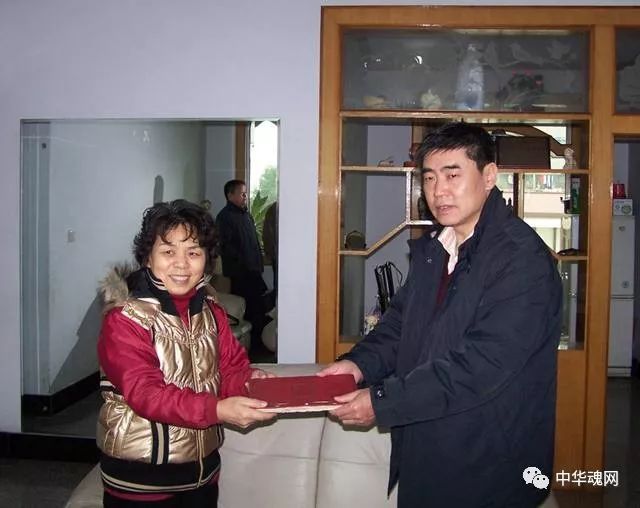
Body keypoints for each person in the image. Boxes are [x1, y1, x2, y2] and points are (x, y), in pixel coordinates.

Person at [319, 122, 562, 507]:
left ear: (489, 176)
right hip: (427, 444)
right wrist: (357, 365)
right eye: (430, 177)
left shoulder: (521, 260)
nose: (438, 191)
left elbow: (481, 365)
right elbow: (399, 327)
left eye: (452, 175)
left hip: (488, 461)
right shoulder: (436, 249)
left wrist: (383, 402)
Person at [97, 199, 275, 507]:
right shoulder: (125, 319)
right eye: (168, 252)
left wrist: (250, 382)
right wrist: (217, 410)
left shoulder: (211, 311)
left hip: (202, 474)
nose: (181, 264)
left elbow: (230, 369)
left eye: (193, 252)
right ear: (147, 258)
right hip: (141, 481)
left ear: (207, 259)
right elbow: (147, 394)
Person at [216, 180, 268, 349]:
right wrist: (242, 263)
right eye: (242, 193)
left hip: (253, 270)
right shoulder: (224, 217)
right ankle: (251, 349)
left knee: (258, 307)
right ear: (230, 195)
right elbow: (225, 246)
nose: (245, 196)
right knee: (248, 309)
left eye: (246, 193)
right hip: (240, 273)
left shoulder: (246, 215)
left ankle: (258, 344)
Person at [262, 200, 278, 297]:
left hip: (276, 255)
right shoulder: (274, 209)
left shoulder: (274, 208)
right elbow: (267, 234)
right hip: (277, 255)